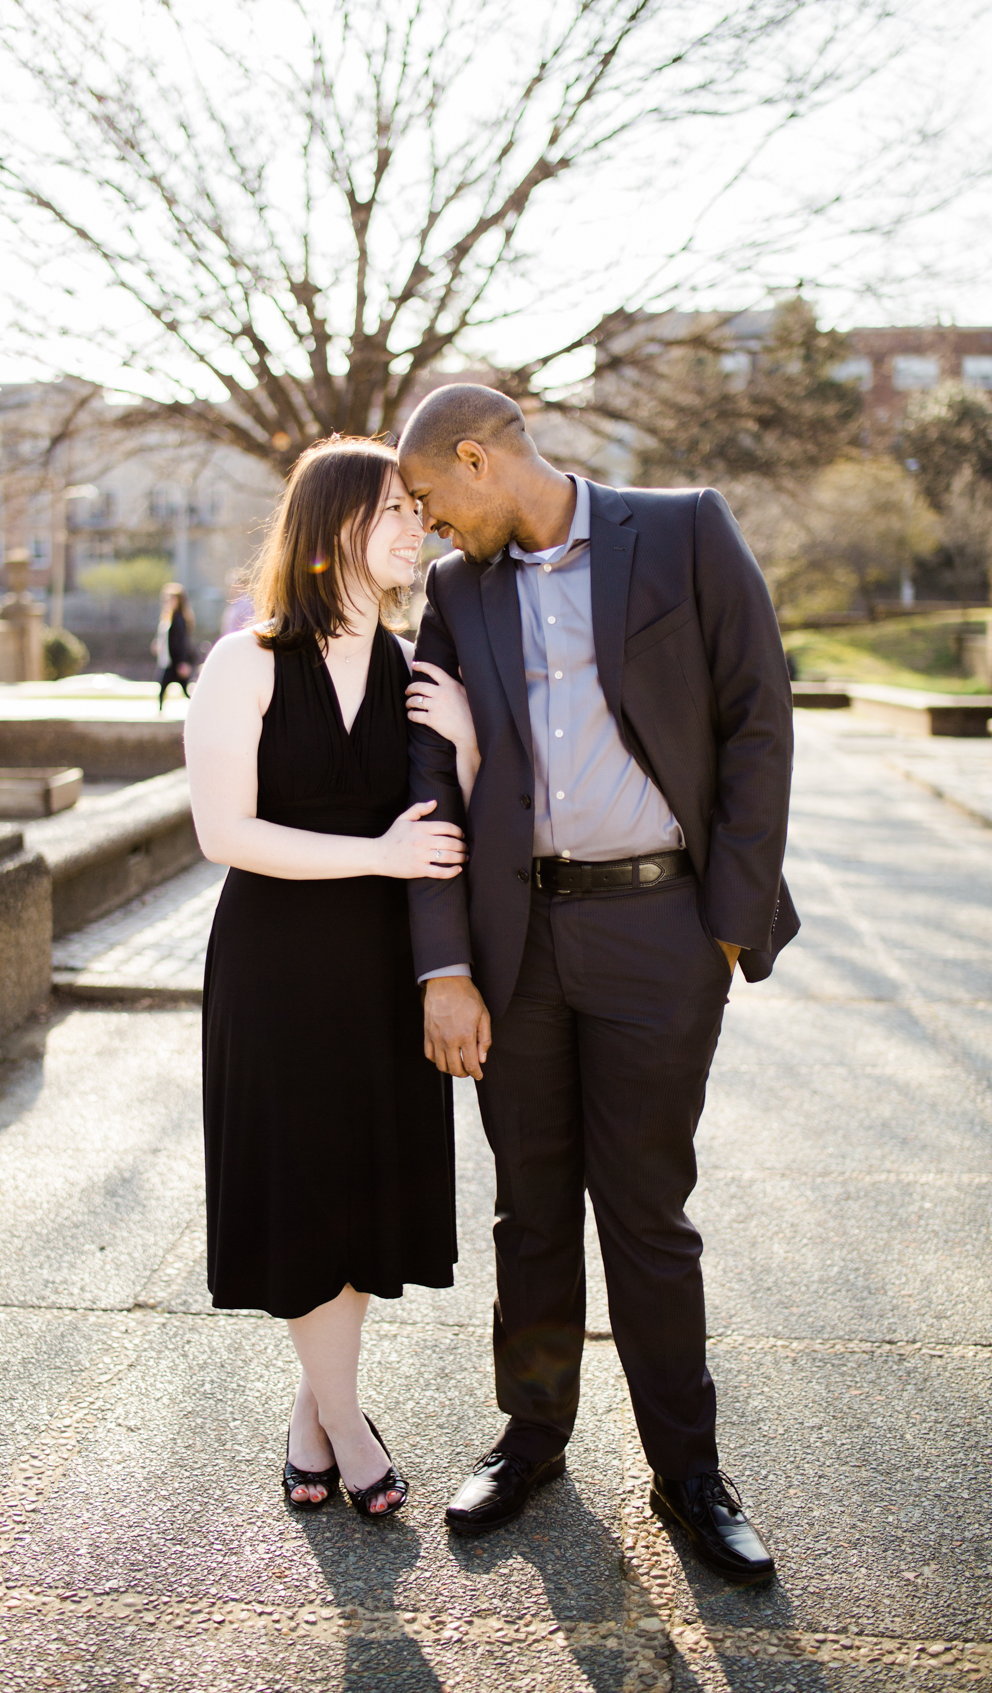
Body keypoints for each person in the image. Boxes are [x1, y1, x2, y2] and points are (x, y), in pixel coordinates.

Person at [398, 385, 798, 1583]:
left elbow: (759, 721)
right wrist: (445, 966)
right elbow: (430, 785)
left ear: (477, 459)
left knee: (645, 1213)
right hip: (514, 948)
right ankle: (533, 1441)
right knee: (530, 1207)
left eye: (426, 499)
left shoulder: (682, 529)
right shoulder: (457, 595)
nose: (423, 527)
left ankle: (689, 1472)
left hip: (660, 932)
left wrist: (723, 927)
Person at [185, 435, 471, 1519]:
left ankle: (313, 1416)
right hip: (276, 967)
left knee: (354, 1197)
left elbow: (451, 826)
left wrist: (469, 744)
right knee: (303, 1191)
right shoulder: (245, 661)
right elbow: (225, 832)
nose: (418, 529)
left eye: (420, 511)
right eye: (395, 509)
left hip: (383, 970)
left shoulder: (415, 672)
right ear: (331, 528)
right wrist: (375, 856)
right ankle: (349, 1428)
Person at [155, 583, 196, 708]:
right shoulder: (168, 617)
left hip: (174, 661)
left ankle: (198, 709)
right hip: (167, 660)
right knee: (165, 689)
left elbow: (181, 642)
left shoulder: (179, 619)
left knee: (177, 689)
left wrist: (183, 662)